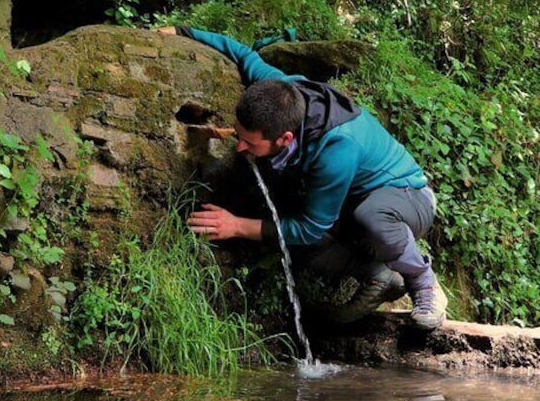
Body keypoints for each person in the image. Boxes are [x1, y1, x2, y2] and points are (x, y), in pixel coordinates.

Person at [157, 25, 447, 329]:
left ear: (283, 138)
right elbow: (242, 53)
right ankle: (378, 274)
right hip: (349, 208)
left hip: (407, 201)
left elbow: (310, 229)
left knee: (367, 217)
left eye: (249, 143)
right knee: (292, 227)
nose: (239, 146)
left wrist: (238, 226)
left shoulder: (336, 148)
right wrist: (180, 30)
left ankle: (423, 283)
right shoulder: (278, 92)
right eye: (238, 135)